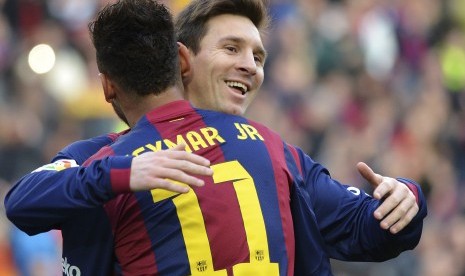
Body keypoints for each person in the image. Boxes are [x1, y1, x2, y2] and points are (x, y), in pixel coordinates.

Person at [4, 0, 427, 275]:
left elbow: (371, 229)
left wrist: (406, 198)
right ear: (182, 60)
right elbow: (22, 203)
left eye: (258, 56)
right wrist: (120, 173)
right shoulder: (107, 157)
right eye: (232, 49)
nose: (250, 66)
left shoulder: (277, 151)